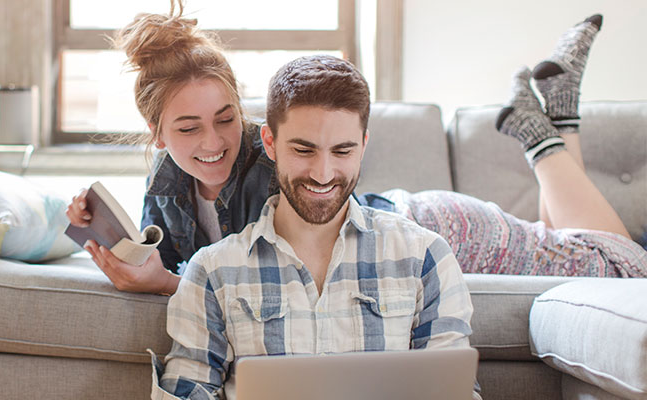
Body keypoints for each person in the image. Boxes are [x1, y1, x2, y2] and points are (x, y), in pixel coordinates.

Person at [66, 8, 646, 295]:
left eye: (226, 119)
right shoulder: (165, 185)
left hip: (433, 230)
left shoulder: (270, 167)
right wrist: (98, 233)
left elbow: (249, 279)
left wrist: (164, 285)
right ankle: (561, 107)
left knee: (628, 271)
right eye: (188, 129)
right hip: (408, 238)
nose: (215, 143)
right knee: (575, 260)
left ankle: (536, 133)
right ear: (157, 131)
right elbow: (159, 255)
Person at [150, 54, 478, 400]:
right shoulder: (213, 271)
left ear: (363, 146)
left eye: (342, 151)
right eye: (304, 150)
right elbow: (187, 391)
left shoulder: (424, 257)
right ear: (271, 143)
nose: (323, 174)